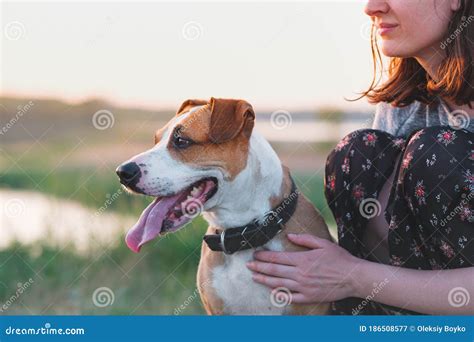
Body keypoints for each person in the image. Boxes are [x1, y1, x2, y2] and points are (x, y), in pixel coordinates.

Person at [247, 0, 473, 314]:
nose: (371, 7)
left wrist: (353, 277)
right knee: (356, 153)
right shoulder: (405, 108)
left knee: (437, 153)